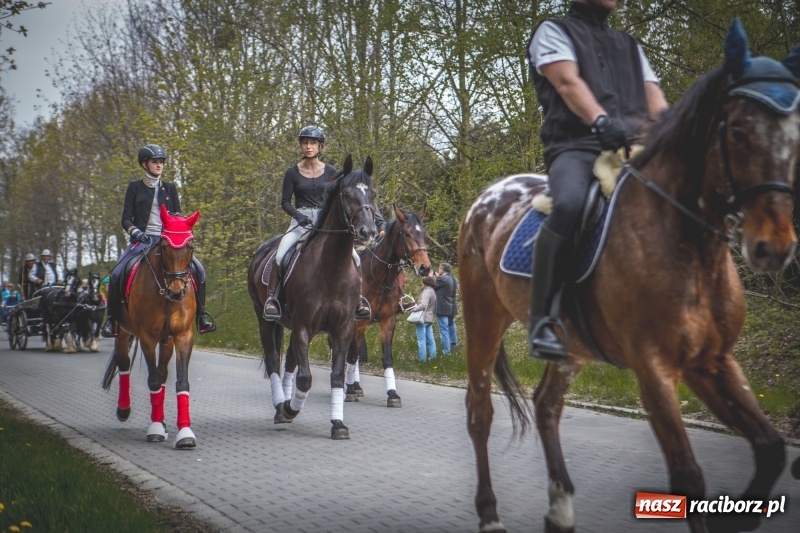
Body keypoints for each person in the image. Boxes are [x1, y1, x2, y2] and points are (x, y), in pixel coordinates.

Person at [524, 0, 668, 361]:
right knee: (570, 203)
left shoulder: (629, 44)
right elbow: (567, 82)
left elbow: (655, 99)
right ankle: (543, 320)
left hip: (635, 147)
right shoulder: (553, 31)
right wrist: (600, 120)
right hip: (577, 147)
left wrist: (669, 134)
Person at [101, 144, 216, 337]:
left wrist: (180, 230)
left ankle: (201, 317)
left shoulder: (170, 188)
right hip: (142, 240)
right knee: (117, 273)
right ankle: (112, 320)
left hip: (167, 241)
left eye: (161, 162)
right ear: (144, 164)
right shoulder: (134, 187)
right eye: (155, 162)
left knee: (200, 270)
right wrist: (136, 232)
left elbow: (177, 215)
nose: (159, 165)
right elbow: (126, 219)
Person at [262, 125, 373, 321]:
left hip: (325, 222)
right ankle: (272, 298)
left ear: (320, 146)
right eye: (305, 142)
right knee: (280, 254)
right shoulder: (292, 173)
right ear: (300, 146)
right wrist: (298, 216)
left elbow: (340, 198)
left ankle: (359, 300)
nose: (308, 146)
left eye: (313, 143)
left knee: (355, 258)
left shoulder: (331, 171)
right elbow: (285, 202)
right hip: (300, 223)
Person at [433, 262, 459, 355]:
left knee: (444, 330)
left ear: (442, 269)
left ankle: (446, 351)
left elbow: (432, 286)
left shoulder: (440, 279)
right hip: (452, 307)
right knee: (451, 326)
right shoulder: (454, 279)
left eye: (439, 268)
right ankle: (454, 343)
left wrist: (432, 277)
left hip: (443, 307)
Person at [411, 274, 437, 362]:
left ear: (425, 283)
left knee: (421, 340)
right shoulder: (433, 291)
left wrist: (414, 309)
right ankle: (433, 357)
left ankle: (422, 359)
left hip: (422, 318)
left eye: (422, 283)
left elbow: (423, 305)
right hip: (430, 317)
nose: (422, 284)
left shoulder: (426, 291)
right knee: (431, 339)